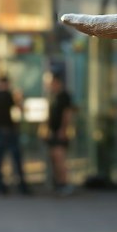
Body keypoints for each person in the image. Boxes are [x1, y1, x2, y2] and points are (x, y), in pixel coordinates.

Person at [0, 74, 28, 195]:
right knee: (15, 159)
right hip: (8, 131)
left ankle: (0, 187)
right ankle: (22, 187)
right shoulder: (8, 95)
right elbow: (21, 110)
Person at [44, 64, 76, 196]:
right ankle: (58, 183)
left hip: (59, 131)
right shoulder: (53, 96)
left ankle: (64, 183)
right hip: (53, 131)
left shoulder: (64, 96)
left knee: (60, 159)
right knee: (54, 158)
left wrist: (63, 129)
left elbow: (67, 114)